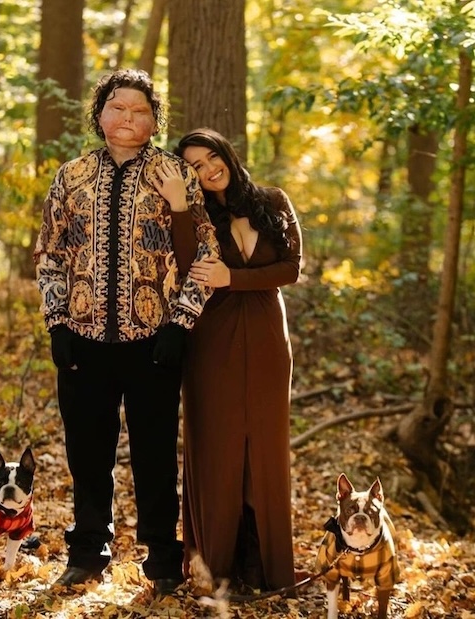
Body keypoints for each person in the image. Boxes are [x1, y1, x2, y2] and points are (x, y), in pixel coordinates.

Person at [33, 70, 219, 595]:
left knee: (155, 455)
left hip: (154, 342)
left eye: (139, 110)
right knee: (86, 453)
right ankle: (88, 551)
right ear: (99, 114)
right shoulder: (70, 177)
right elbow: (50, 255)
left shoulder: (175, 174)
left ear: (154, 120)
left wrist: (180, 325)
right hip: (83, 341)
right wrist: (57, 323)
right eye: (117, 107)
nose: (127, 118)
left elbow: (204, 255)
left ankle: (162, 558)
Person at [174, 128, 303, 592]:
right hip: (212, 341)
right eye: (194, 166)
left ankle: (265, 566)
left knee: (265, 450)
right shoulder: (192, 216)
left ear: (226, 155)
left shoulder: (273, 200)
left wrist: (232, 277)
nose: (208, 169)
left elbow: (292, 268)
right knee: (218, 448)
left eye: (212, 157)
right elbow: (188, 268)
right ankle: (218, 567)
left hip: (268, 338)